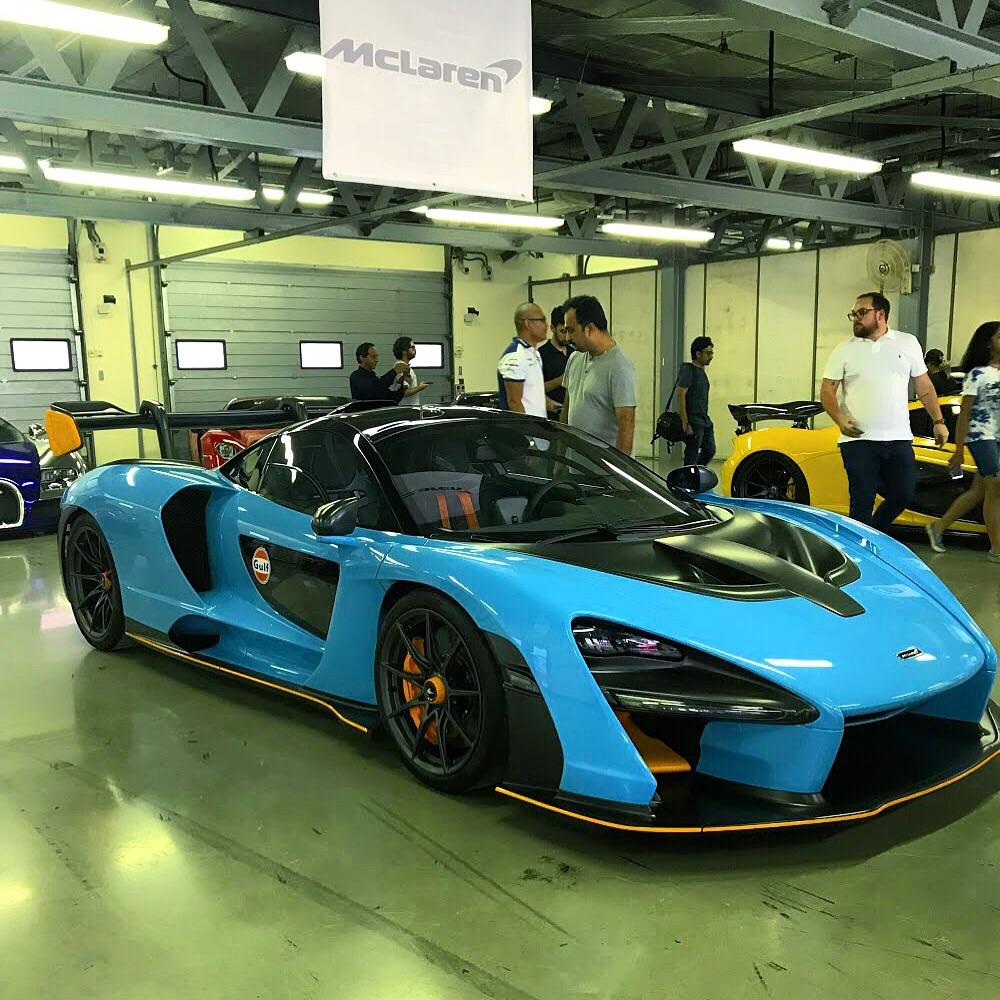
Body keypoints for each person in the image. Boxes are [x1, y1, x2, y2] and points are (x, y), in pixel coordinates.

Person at [820, 291, 948, 531]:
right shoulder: (844, 350)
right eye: (853, 314)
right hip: (858, 440)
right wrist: (839, 418)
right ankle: (860, 549)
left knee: (904, 494)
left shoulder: (907, 343)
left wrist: (938, 421)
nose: (856, 318)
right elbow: (827, 390)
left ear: (881, 314)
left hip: (899, 439)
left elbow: (924, 386)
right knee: (862, 502)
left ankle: (873, 535)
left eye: (861, 312)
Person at [926, 321, 1000, 562]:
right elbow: (965, 414)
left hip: (997, 437)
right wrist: (958, 451)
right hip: (980, 435)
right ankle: (996, 549)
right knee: (995, 488)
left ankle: (938, 527)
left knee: (979, 491)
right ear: (988, 343)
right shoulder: (977, 374)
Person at [561, 294, 637, 454]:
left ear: (589, 328)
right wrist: (561, 455)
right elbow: (567, 408)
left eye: (571, 330)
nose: (567, 338)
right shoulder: (575, 358)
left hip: (601, 466)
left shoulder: (620, 367)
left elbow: (626, 425)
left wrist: (617, 468)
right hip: (574, 462)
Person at [497, 302, 549, 418]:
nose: (546, 325)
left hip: (538, 426)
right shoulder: (514, 357)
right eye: (542, 320)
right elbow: (514, 403)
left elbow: (534, 395)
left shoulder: (535, 353)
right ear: (527, 323)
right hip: (524, 428)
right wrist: (528, 429)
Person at [676, 336, 715, 466]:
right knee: (692, 454)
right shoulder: (689, 370)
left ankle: (696, 472)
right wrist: (685, 421)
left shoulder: (701, 371)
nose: (711, 356)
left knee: (709, 449)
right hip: (694, 420)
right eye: (708, 353)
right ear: (698, 354)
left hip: (704, 419)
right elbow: (680, 394)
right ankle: (688, 476)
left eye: (712, 353)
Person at [539, 305, 574, 418]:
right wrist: (561, 380)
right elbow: (536, 388)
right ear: (553, 328)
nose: (567, 336)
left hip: (572, 414)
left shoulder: (574, 352)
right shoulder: (541, 354)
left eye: (569, 331)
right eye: (562, 331)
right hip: (551, 415)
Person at [392, 336, 430, 402]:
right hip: (407, 407)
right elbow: (404, 392)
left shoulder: (402, 366)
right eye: (412, 347)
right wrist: (420, 387)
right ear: (404, 351)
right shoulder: (402, 367)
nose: (415, 350)